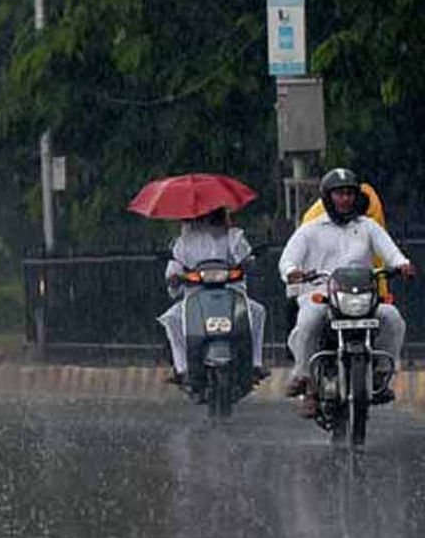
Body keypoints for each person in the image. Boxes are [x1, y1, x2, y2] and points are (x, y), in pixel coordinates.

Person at [278, 168, 414, 411]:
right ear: (327, 198)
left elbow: (391, 252)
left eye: (349, 194)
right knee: (308, 321)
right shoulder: (310, 229)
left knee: (393, 318)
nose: (345, 199)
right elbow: (288, 259)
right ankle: (305, 379)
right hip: (320, 295)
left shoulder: (368, 226)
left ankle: (382, 375)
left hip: (361, 297)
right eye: (339, 194)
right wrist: (291, 271)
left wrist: (402, 265)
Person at [157, 208, 268, 385]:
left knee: (256, 311)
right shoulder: (183, 243)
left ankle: (255, 363)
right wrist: (175, 279)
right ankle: (181, 368)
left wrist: (248, 264)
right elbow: (173, 272)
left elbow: (246, 260)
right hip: (195, 295)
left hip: (232, 291)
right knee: (172, 318)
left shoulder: (234, 237)